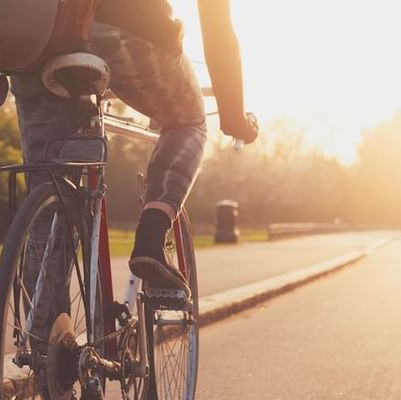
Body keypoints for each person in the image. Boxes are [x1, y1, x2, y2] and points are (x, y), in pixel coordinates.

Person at [13, 0, 258, 298]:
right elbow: (217, 26)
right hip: (124, 30)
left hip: (30, 38)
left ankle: (39, 335)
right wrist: (234, 117)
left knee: (47, 192)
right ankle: (152, 237)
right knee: (187, 121)